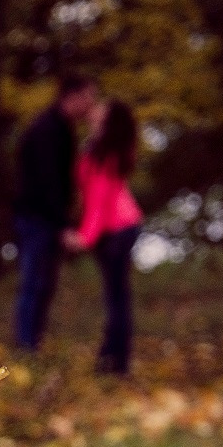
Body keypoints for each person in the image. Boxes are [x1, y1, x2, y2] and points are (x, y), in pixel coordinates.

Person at [9, 73, 100, 351]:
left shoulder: (63, 129)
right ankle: (25, 345)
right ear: (73, 96)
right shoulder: (47, 129)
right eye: (89, 96)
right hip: (37, 219)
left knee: (44, 283)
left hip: (45, 218)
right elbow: (47, 182)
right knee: (34, 282)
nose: (91, 104)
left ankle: (32, 342)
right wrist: (62, 225)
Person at [63, 99, 145, 375]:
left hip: (117, 230)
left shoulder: (105, 153)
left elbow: (99, 200)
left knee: (117, 297)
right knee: (117, 296)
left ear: (107, 121)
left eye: (102, 109)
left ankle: (114, 363)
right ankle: (112, 359)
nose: (94, 110)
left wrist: (84, 238)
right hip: (118, 228)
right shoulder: (101, 148)